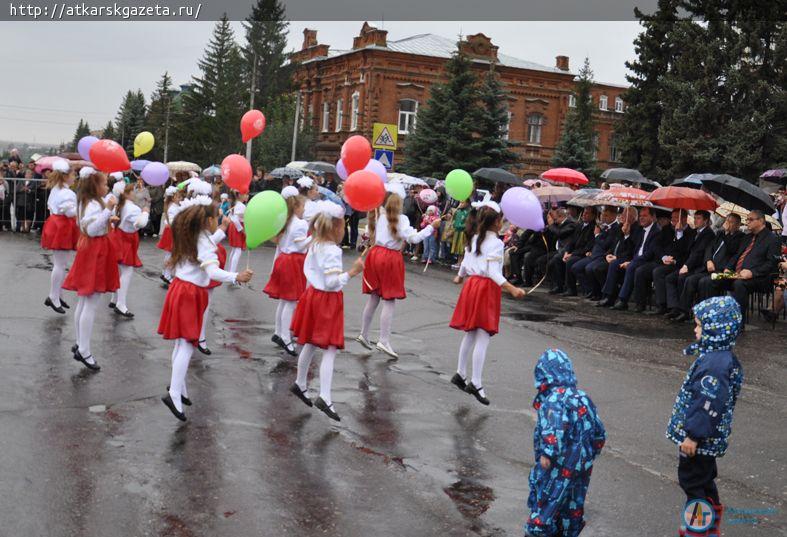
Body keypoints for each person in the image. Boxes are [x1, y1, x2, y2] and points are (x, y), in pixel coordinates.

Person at [158, 195, 253, 421]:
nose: (218, 216)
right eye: (216, 216)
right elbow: (211, 270)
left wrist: (221, 229)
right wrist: (236, 276)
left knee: (181, 343)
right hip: (190, 292)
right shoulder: (202, 240)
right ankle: (174, 392)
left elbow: (207, 245)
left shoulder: (191, 234)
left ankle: (179, 388)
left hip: (181, 288)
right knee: (188, 343)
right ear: (206, 220)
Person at [666, 296, 743, 537]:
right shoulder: (718, 356)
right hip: (708, 439)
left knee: (692, 483)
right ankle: (708, 526)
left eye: (700, 325)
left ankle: (699, 530)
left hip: (699, 440)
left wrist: (693, 436)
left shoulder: (714, 365)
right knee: (704, 480)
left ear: (716, 330)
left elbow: (706, 403)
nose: (695, 329)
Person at [289, 201, 365, 422]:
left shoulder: (315, 243)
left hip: (313, 296)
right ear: (335, 228)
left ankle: (301, 383)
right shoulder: (331, 250)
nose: (344, 230)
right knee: (330, 349)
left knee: (311, 343)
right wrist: (353, 272)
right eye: (343, 226)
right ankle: (325, 396)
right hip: (326, 300)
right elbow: (332, 282)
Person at [449, 201, 526, 405]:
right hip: (485, 288)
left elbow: (466, 261)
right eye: (501, 220)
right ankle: (475, 382)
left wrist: (460, 276)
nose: (502, 223)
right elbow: (493, 272)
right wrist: (512, 288)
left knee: (471, 333)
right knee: (483, 335)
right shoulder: (497, 243)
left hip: (472, 285)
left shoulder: (474, 237)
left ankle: (460, 372)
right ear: (495, 223)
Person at [525, 349, 606, 537]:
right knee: (573, 501)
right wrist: (591, 453)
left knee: (548, 499)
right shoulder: (582, 397)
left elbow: (555, 428)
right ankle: (569, 530)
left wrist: (547, 452)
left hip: (558, 465)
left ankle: (539, 530)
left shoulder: (553, 400)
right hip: (582, 466)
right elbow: (599, 430)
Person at [356, 184, 438, 359]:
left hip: (375, 255)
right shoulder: (401, 220)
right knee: (389, 300)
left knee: (374, 297)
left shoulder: (378, 216)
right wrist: (431, 227)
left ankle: (364, 333)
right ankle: (383, 340)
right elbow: (414, 238)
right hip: (389, 258)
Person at [62, 167, 121, 371]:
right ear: (94, 185)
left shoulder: (88, 202)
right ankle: (85, 350)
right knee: (91, 301)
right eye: (104, 183)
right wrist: (108, 210)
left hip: (92, 250)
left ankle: (81, 344)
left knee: (85, 300)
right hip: (95, 250)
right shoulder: (93, 204)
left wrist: (107, 215)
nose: (107, 186)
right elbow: (92, 229)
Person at [701, 210, 780, 321]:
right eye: (747, 219)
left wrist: (752, 272)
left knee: (739, 284)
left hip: (759, 277)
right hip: (736, 274)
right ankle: (711, 316)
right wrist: (728, 268)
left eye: (750, 219)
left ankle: (738, 321)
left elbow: (772, 263)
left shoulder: (773, 239)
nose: (747, 222)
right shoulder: (748, 237)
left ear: (761, 221)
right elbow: (736, 255)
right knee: (710, 280)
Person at [264, 186, 310, 356]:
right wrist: (316, 236)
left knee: (284, 300)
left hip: (283, 259)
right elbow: (300, 245)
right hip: (293, 262)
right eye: (303, 206)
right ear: (297, 207)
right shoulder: (300, 223)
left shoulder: (285, 220)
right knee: (290, 301)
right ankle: (285, 337)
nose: (304, 209)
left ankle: (278, 332)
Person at [659, 210, 715, 317]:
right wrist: (679, 233)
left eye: (698, 218)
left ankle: (684, 310)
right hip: (687, 263)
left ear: (706, 221)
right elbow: (683, 248)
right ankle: (674, 307)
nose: (695, 220)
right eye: (695, 218)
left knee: (682, 277)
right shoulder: (693, 232)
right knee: (670, 278)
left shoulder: (708, 234)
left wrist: (686, 266)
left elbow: (698, 253)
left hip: (698, 266)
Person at [41, 159, 79, 314]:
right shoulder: (67, 193)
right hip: (62, 226)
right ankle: (53, 296)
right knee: (60, 264)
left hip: (56, 224)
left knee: (60, 263)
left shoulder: (56, 189)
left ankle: (58, 294)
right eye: (73, 175)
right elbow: (70, 212)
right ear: (65, 176)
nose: (74, 177)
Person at [108, 180, 149, 318]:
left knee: (119, 270)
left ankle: (114, 299)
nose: (135, 193)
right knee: (127, 272)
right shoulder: (132, 208)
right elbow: (141, 224)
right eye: (132, 190)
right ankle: (121, 303)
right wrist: (145, 212)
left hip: (118, 237)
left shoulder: (120, 205)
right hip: (126, 240)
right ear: (126, 193)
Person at [605, 207, 659, 310]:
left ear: (652, 217)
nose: (641, 218)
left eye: (645, 216)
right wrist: (627, 234)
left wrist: (631, 262)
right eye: (640, 216)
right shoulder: (640, 229)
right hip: (635, 258)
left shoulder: (656, 231)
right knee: (614, 264)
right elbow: (632, 247)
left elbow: (649, 253)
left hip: (648, 261)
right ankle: (609, 297)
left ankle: (623, 300)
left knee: (632, 267)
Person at [648, 210, 697, 314]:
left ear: (684, 219)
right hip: (665, 261)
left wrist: (679, 234)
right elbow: (655, 245)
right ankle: (662, 305)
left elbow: (685, 250)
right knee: (654, 270)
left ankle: (671, 307)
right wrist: (664, 257)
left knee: (661, 273)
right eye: (672, 217)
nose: (673, 220)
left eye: (676, 217)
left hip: (680, 263)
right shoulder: (667, 229)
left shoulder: (691, 232)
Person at [572, 206, 618, 299]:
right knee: (576, 267)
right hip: (593, 254)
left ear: (614, 216)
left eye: (606, 215)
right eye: (602, 214)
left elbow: (605, 244)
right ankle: (590, 290)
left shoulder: (615, 228)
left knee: (590, 268)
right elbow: (595, 243)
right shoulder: (604, 227)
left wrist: (597, 235)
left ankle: (600, 293)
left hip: (602, 256)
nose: (603, 217)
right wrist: (590, 250)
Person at [157, 186, 182, 285]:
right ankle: (167, 275)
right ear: (173, 198)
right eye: (178, 197)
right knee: (171, 254)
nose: (180, 199)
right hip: (172, 232)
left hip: (172, 231)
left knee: (170, 254)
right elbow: (172, 221)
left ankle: (165, 274)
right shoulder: (172, 207)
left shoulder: (173, 206)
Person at [226, 190, 248, 280]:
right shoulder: (241, 206)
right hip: (237, 227)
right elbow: (235, 218)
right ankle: (233, 275)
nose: (247, 196)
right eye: (245, 194)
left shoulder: (236, 204)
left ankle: (230, 272)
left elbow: (231, 217)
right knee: (237, 250)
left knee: (235, 249)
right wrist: (242, 230)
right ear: (239, 195)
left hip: (234, 226)